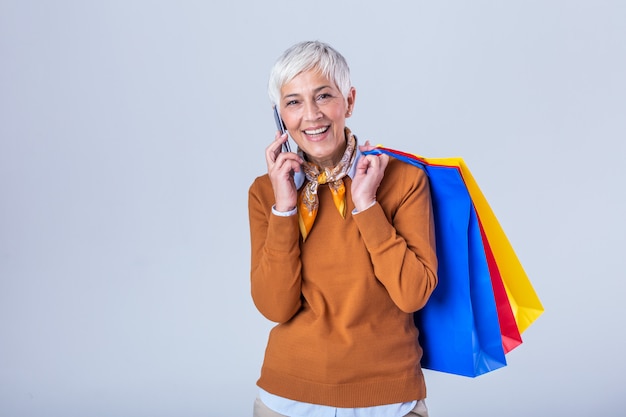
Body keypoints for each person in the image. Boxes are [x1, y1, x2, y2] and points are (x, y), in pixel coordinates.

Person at [248, 40, 438, 417]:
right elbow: (274, 306)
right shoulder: (266, 192)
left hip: (389, 399)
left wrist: (367, 206)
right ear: (280, 117)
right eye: (294, 102)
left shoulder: (404, 180)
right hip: (289, 395)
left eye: (323, 96)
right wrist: (285, 208)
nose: (312, 115)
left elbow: (413, 294)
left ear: (349, 101)